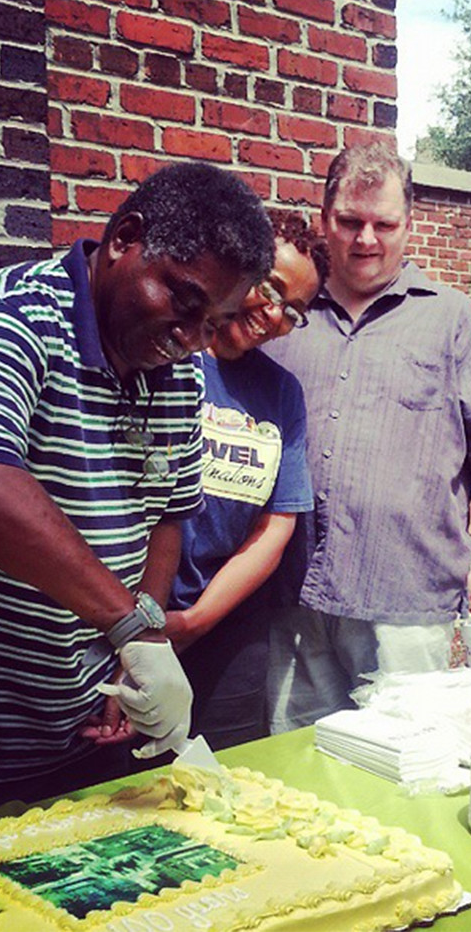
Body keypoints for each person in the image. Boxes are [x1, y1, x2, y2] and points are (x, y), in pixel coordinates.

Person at [0, 162, 275, 810]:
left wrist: (133, 646)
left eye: (213, 321)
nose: (192, 340)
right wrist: (131, 625)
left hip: (88, 740)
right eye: (185, 302)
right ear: (123, 240)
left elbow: (165, 515)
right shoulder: (13, 318)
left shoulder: (178, 375)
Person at [263, 141, 471, 732]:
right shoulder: (287, 319)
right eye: (350, 222)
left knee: (405, 767)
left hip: (407, 600)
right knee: (294, 773)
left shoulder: (454, 320)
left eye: (384, 224)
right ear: (325, 220)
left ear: (409, 225)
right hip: (295, 599)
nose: (366, 240)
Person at [164, 211, 329, 750]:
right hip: (122, 615)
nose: (274, 315)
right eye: (271, 288)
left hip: (226, 628)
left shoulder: (281, 392)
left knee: (225, 787)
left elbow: (277, 524)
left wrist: (195, 622)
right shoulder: (165, 356)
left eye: (294, 311)